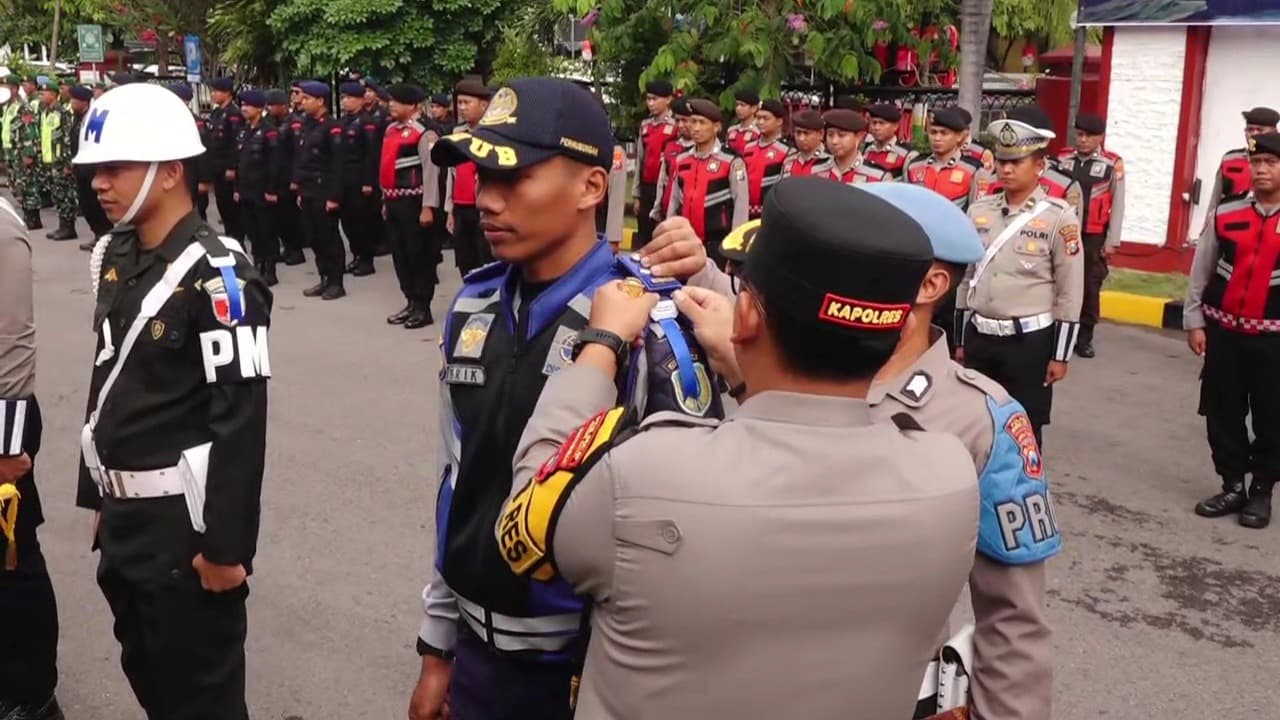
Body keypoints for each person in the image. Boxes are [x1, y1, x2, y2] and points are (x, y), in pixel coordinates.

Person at [497, 177, 979, 719]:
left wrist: (600, 344)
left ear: (745, 316)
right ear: (893, 335)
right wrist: (749, 379)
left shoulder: (644, 475)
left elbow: (526, 526)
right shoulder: (949, 471)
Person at [407, 76, 719, 720]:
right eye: (477, 178)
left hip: (590, 671)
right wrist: (437, 645)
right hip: (475, 654)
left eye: (512, 178)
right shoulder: (475, 302)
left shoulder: (646, 319)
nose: (485, 201)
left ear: (591, 187)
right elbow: (458, 475)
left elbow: (683, 537)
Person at [72, 81, 271, 720]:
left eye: (115, 168)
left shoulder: (222, 276)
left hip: (182, 530)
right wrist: (97, 493)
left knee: (202, 700)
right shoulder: (117, 255)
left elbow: (240, 421)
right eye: (95, 170)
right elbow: (109, 377)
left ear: (170, 172)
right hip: (125, 521)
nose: (99, 184)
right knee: (150, 678)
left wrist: (226, 549)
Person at [861, 182, 1058, 720]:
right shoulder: (794, 369)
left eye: (859, 259)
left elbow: (1013, 618)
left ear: (930, 284)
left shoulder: (982, 419)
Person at [957, 118, 1084, 448]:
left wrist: (1060, 354)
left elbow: (1070, 291)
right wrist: (960, 338)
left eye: (1016, 162)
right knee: (974, 423)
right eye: (1002, 161)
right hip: (980, 336)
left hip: (1028, 343)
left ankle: (1021, 495)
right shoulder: (980, 210)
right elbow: (966, 277)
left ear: (1039, 165)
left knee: (1024, 431)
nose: (1006, 169)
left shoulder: (1059, 217)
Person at [1184, 131, 1280, 530]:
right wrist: (1194, 320)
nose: (1260, 170)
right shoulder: (1226, 213)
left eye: (1270, 163)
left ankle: (1260, 491)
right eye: (1256, 163)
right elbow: (1200, 270)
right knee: (1222, 412)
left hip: (1274, 341)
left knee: (1273, 418)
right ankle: (1232, 485)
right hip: (1224, 335)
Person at [0, 195, 63, 720]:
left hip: (1, 423)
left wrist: (5, 445)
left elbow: (12, 340)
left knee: (10, 559)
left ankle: (31, 694)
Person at [1055, 113, 1126, 358]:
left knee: (1089, 286)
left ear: (1100, 138)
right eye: (1080, 134)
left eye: (1089, 136)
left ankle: (1084, 338)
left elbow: (1118, 203)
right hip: (1064, 231)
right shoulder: (1063, 159)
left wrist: (1112, 240)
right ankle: (1059, 333)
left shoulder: (1111, 164)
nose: (1083, 140)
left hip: (1093, 235)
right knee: (1060, 282)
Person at [379, 83, 441, 330]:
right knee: (400, 254)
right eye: (390, 100)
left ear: (413, 105)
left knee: (419, 255)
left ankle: (423, 307)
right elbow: (385, 167)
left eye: (396, 101)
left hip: (415, 202)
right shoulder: (391, 130)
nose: (391, 105)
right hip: (394, 201)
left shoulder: (425, 132)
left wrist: (429, 206)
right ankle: (410, 301)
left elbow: (431, 171)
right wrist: (385, 199)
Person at [664, 98, 748, 268]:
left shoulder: (732, 161)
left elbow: (741, 206)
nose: (695, 128)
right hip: (686, 241)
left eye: (702, 123)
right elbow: (674, 203)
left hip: (717, 246)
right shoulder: (682, 159)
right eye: (693, 122)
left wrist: (734, 251)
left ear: (716, 127)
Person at [293, 80, 347, 300]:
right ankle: (323, 277)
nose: (302, 102)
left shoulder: (332, 127)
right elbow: (301, 159)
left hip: (324, 191)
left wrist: (334, 196)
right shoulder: (307, 124)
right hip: (308, 191)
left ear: (320, 101)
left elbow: (337, 165)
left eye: (307, 98)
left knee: (329, 238)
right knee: (315, 237)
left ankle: (336, 282)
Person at [233, 89, 282, 287]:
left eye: (249, 105)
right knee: (252, 230)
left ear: (260, 108)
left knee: (266, 231)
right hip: (246, 190)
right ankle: (258, 264)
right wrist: (237, 188)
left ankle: (270, 269)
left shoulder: (269, 131)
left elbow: (274, 163)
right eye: (243, 105)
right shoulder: (244, 131)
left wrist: (271, 190)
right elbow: (239, 162)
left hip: (262, 191)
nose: (244, 108)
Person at [1200, 106, 1278, 229]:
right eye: (1250, 130)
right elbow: (1214, 201)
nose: (1254, 134)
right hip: (1232, 229)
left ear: (1274, 131)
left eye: (1260, 130)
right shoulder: (1230, 160)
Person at [444, 78, 492, 276]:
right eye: (459, 103)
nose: (462, 108)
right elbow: (451, 173)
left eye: (467, 103)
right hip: (460, 207)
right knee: (465, 259)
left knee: (486, 258)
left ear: (483, 105)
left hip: (483, 207)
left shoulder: (493, 133)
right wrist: (449, 210)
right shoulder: (457, 132)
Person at [337, 82, 382, 276]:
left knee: (362, 221)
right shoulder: (345, 121)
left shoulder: (368, 122)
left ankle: (366, 260)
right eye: (343, 98)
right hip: (346, 178)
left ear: (361, 100)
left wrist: (368, 181)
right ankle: (356, 256)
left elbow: (371, 155)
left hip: (360, 179)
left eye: (349, 98)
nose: (345, 102)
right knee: (348, 221)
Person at [905, 107, 980, 212]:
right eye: (933, 132)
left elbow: (976, 210)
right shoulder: (914, 166)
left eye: (944, 133)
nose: (937, 138)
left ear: (958, 136)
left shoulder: (972, 169)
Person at [631, 79, 677, 247]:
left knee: (661, 237)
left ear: (668, 99)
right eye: (648, 99)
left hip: (665, 187)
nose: (650, 103)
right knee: (643, 234)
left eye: (655, 99)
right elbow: (639, 161)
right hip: (646, 186)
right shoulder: (645, 126)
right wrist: (636, 194)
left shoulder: (676, 126)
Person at [266, 89, 307, 266]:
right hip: (277, 176)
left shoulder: (294, 124)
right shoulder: (270, 122)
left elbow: (298, 153)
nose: (269, 108)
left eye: (272, 105)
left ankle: (296, 251)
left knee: (290, 218)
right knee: (280, 218)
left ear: (283, 106)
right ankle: (288, 248)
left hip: (289, 176)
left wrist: (295, 179)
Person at [167, 83, 214, 230]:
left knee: (196, 215)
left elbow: (205, 153)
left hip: (192, 176)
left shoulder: (196, 123)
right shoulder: (168, 121)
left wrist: (204, 180)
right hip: (174, 176)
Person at [69, 84, 112, 244]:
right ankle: (97, 233)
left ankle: (104, 235)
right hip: (80, 166)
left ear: (84, 102)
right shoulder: (77, 117)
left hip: (91, 167)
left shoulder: (94, 117)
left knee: (96, 204)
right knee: (85, 203)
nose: (72, 102)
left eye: (75, 100)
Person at [35, 80, 77, 240]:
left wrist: (67, 163)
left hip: (60, 160)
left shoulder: (62, 113)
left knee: (65, 194)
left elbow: (68, 139)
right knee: (57, 194)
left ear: (53, 95)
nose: (41, 96)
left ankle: (68, 227)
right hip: (48, 159)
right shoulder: (45, 112)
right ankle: (62, 226)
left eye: (44, 93)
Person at [207, 77, 245, 241]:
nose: (213, 94)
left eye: (216, 91)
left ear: (227, 93)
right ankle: (230, 235)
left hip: (226, 167)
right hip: (216, 165)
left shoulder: (234, 115)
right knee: (222, 204)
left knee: (231, 207)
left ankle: (237, 238)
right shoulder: (217, 113)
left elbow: (235, 143)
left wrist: (231, 167)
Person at [741, 98, 790, 218]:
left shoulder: (787, 150)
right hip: (746, 212)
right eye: (758, 118)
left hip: (771, 214)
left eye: (766, 118)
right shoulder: (748, 147)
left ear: (779, 121)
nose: (760, 122)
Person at [649, 96, 694, 225]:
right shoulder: (670, 146)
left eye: (685, 120)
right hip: (666, 211)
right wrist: (657, 208)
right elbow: (662, 180)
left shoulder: (699, 150)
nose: (680, 125)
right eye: (677, 120)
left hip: (687, 215)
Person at [821, 108, 892, 185]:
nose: (834, 141)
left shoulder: (878, 176)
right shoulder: (816, 170)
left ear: (858, 137)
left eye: (841, 135)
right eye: (830, 135)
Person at [863, 103, 915, 179]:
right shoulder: (867, 149)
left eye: (881, 123)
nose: (876, 128)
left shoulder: (907, 154)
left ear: (895, 126)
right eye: (874, 123)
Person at [781, 109, 832, 178]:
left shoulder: (829, 162)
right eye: (798, 133)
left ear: (821, 134)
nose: (801, 138)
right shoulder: (789, 161)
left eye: (806, 133)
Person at [725, 88, 760, 155]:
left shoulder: (759, 130)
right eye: (737, 105)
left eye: (742, 105)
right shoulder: (731, 130)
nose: (738, 108)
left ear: (754, 108)